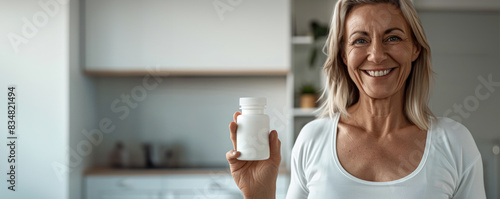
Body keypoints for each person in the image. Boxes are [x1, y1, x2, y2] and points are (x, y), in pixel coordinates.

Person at [226, 0, 487, 198]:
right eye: (360, 40)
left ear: (415, 48)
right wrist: (259, 195)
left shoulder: (455, 143)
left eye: (393, 37)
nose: (376, 55)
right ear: (343, 54)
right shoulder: (312, 139)